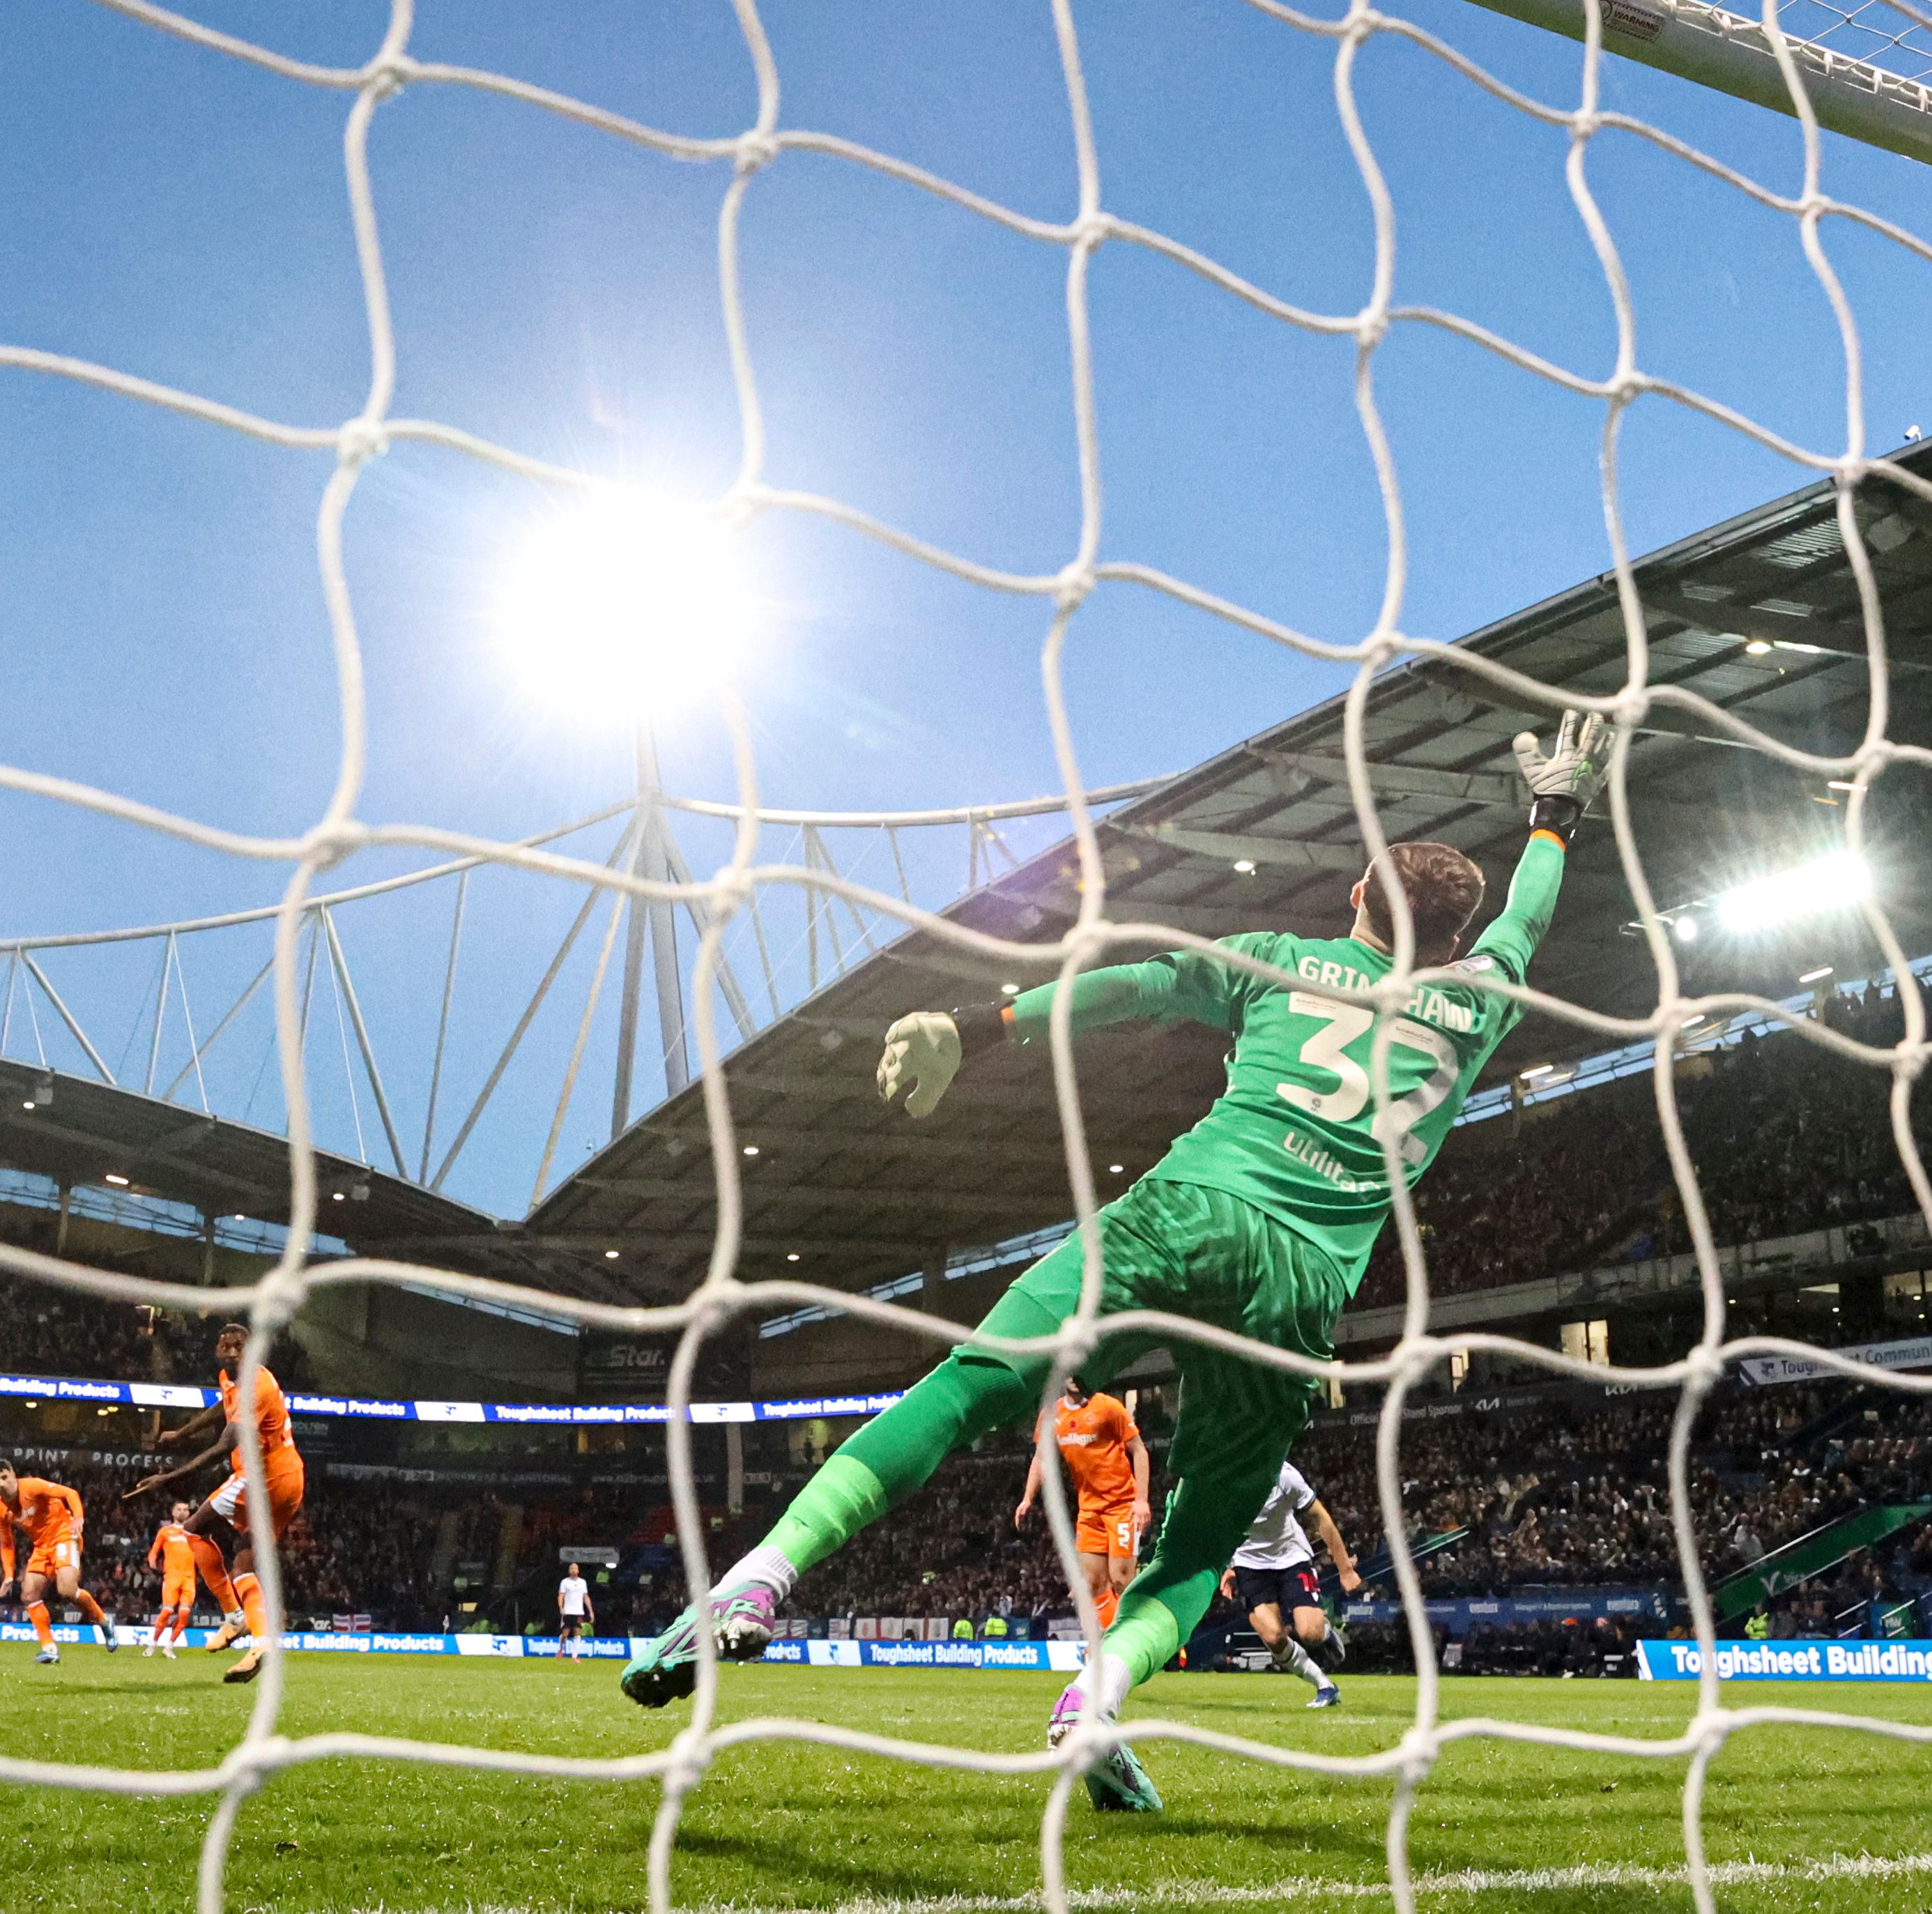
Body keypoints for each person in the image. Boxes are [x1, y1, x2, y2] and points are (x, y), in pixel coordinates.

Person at [622, 714, 1613, 1815]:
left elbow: (1139, 984)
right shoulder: (1476, 1000)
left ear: (1353, 902)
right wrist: (1554, 816)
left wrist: (975, 1023)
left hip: (1188, 1207)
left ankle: (762, 1574)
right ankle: (1093, 1701)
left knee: (962, 1390)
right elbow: (1526, 914)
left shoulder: (1282, 962)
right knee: (1195, 1546)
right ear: (1447, 934)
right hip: (1302, 1286)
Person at [129, 1322, 305, 1684]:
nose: (231, 1352)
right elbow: (221, 1407)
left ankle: (233, 1616)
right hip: (290, 1478)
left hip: (263, 1479)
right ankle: (261, 1642)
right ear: (217, 1350)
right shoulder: (232, 1377)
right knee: (244, 1561)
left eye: (238, 1346)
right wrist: (183, 1431)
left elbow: (225, 1444)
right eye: (225, 1346)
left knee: (192, 1529)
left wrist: (169, 1478)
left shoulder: (257, 1385)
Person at [1218, 1463, 1360, 1710]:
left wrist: (1345, 1569)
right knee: (1273, 1637)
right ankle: (1325, 1686)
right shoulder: (1217, 1478)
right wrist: (1227, 1567)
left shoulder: (1283, 1476)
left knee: (1310, 1632)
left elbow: (1321, 1519)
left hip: (1290, 1557)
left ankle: (1327, 1633)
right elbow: (1217, 1530)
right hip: (1249, 1565)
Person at [1017, 1374, 1151, 1629]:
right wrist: (1027, 1498)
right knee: (1092, 1585)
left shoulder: (1108, 1407)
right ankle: (1114, 1642)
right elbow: (1041, 1458)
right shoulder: (1051, 1415)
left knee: (1122, 1579)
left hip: (1122, 1506)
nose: (1076, 1379)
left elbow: (1139, 1449)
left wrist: (1141, 1500)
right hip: (1089, 1510)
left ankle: (1144, 1633)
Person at [0, 1462, 115, 1664]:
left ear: (13, 1474)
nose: (2, 1484)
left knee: (66, 1590)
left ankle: (104, 1621)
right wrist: (9, 1574)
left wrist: (78, 1518)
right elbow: (6, 1544)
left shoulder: (32, 1486)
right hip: (42, 1546)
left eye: (4, 1477)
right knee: (29, 1594)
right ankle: (49, 1649)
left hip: (64, 1534)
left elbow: (70, 1493)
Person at [141, 1502, 203, 1657]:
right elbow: (154, 1550)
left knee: (184, 1615)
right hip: (172, 1577)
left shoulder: (195, 1533)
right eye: (179, 1509)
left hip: (189, 1578)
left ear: (189, 1513)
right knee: (167, 1611)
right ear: (173, 1513)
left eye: (186, 1510)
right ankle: (153, 1644)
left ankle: (169, 1646)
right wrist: (152, 1560)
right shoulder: (165, 1532)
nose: (183, 1512)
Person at [556, 1561, 596, 1657]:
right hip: (567, 1611)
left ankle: (575, 1655)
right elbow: (561, 1595)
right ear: (569, 1571)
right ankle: (561, 1649)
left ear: (578, 1571)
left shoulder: (582, 1582)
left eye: (575, 1569)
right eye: (572, 1569)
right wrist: (561, 1607)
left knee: (577, 1633)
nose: (574, 1570)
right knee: (565, 1634)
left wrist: (591, 1611)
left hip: (578, 1612)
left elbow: (585, 1597)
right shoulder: (565, 1582)